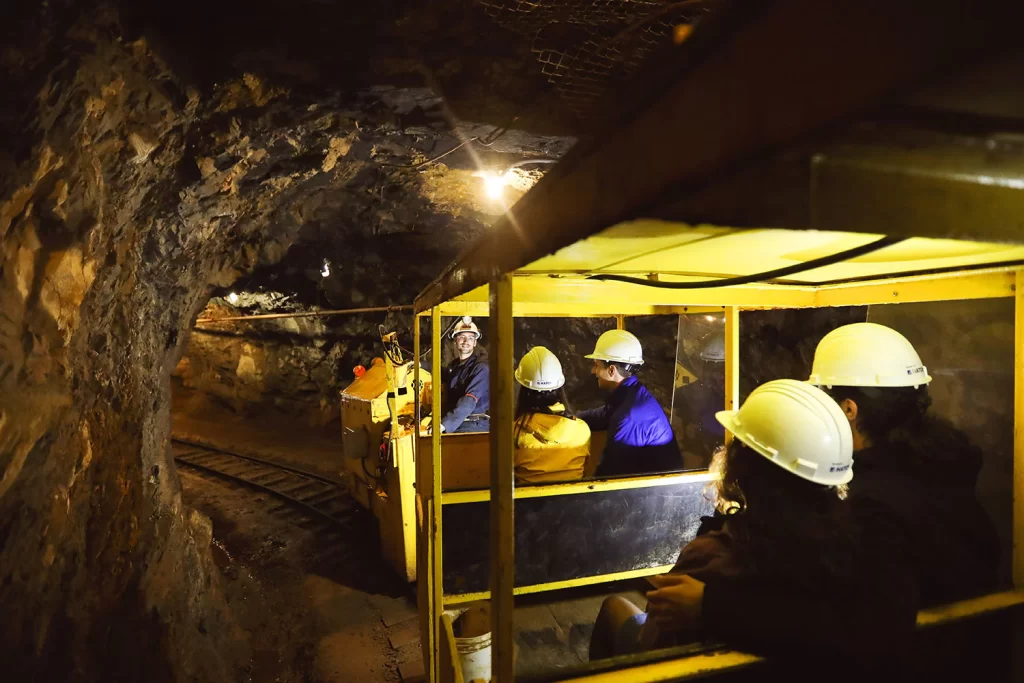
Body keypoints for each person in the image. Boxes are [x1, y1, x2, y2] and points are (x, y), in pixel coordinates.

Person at [663, 323, 1000, 676]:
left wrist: (711, 607)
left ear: (849, 409)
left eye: (825, 399)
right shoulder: (941, 470)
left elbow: (865, 630)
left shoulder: (876, 505)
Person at [589, 380, 917, 671]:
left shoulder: (710, 559)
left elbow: (653, 646)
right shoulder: (862, 541)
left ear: (742, 469)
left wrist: (711, 607)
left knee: (614, 608)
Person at [578, 329, 682, 477]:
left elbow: (610, 474)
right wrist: (572, 418)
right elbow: (605, 415)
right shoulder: (631, 393)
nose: (593, 371)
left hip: (656, 488)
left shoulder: (629, 417)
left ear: (611, 370)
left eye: (596, 365)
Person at [512, 346, 591, 484]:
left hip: (528, 497)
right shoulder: (582, 430)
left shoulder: (515, 434)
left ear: (524, 390)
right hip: (574, 497)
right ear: (560, 387)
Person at [425, 317, 490, 434]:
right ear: (455, 340)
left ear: (475, 343)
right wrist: (419, 364)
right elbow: (443, 373)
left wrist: (444, 425)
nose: (466, 341)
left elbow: (469, 400)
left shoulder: (481, 368)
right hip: (459, 423)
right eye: (462, 337)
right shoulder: (456, 367)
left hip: (474, 426)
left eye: (471, 338)